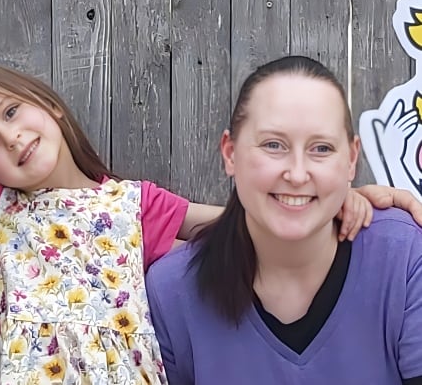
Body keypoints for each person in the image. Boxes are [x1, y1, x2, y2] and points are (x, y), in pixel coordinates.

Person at [0, 62, 421, 384]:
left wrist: (348, 197)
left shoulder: (136, 205)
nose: (7, 140)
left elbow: (256, 215)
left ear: (49, 105)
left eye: (10, 114)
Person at [146, 55, 422, 384]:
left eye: (321, 148)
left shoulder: (402, 257)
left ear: (351, 160)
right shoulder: (173, 290)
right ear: (230, 153)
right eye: (273, 145)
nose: (297, 173)